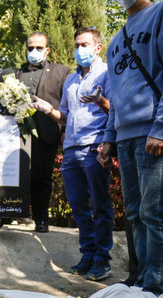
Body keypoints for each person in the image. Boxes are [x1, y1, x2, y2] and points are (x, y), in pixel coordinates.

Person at [98, 0, 163, 295]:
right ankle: (140, 282)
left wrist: (162, 126)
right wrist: (108, 137)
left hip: (152, 132)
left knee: (156, 213)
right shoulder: (116, 38)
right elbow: (115, 96)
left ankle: (157, 289)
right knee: (135, 214)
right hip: (125, 137)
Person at [30, 27, 113, 282]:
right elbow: (64, 116)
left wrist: (101, 105)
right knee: (78, 207)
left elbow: (115, 110)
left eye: (85, 44)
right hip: (71, 150)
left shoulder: (107, 74)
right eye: (77, 45)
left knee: (100, 206)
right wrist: (47, 109)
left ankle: (102, 260)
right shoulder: (71, 80)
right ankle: (87, 254)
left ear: (98, 48)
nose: (80, 50)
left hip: (94, 147)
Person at [0, 32, 70, 232]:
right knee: (10, 175)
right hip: (15, 135)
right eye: (31, 48)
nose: (34, 51)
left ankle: (41, 219)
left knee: (42, 177)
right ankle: (4, 215)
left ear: (47, 50)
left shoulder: (62, 72)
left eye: (39, 48)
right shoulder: (12, 74)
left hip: (46, 132)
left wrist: (65, 130)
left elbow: (68, 105)